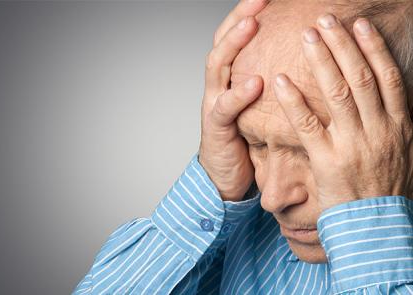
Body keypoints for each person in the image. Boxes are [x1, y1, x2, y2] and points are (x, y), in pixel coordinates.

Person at [73, 0, 413, 294]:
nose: (272, 198)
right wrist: (213, 183)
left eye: (311, 151)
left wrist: (372, 224)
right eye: (258, 143)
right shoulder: (247, 229)